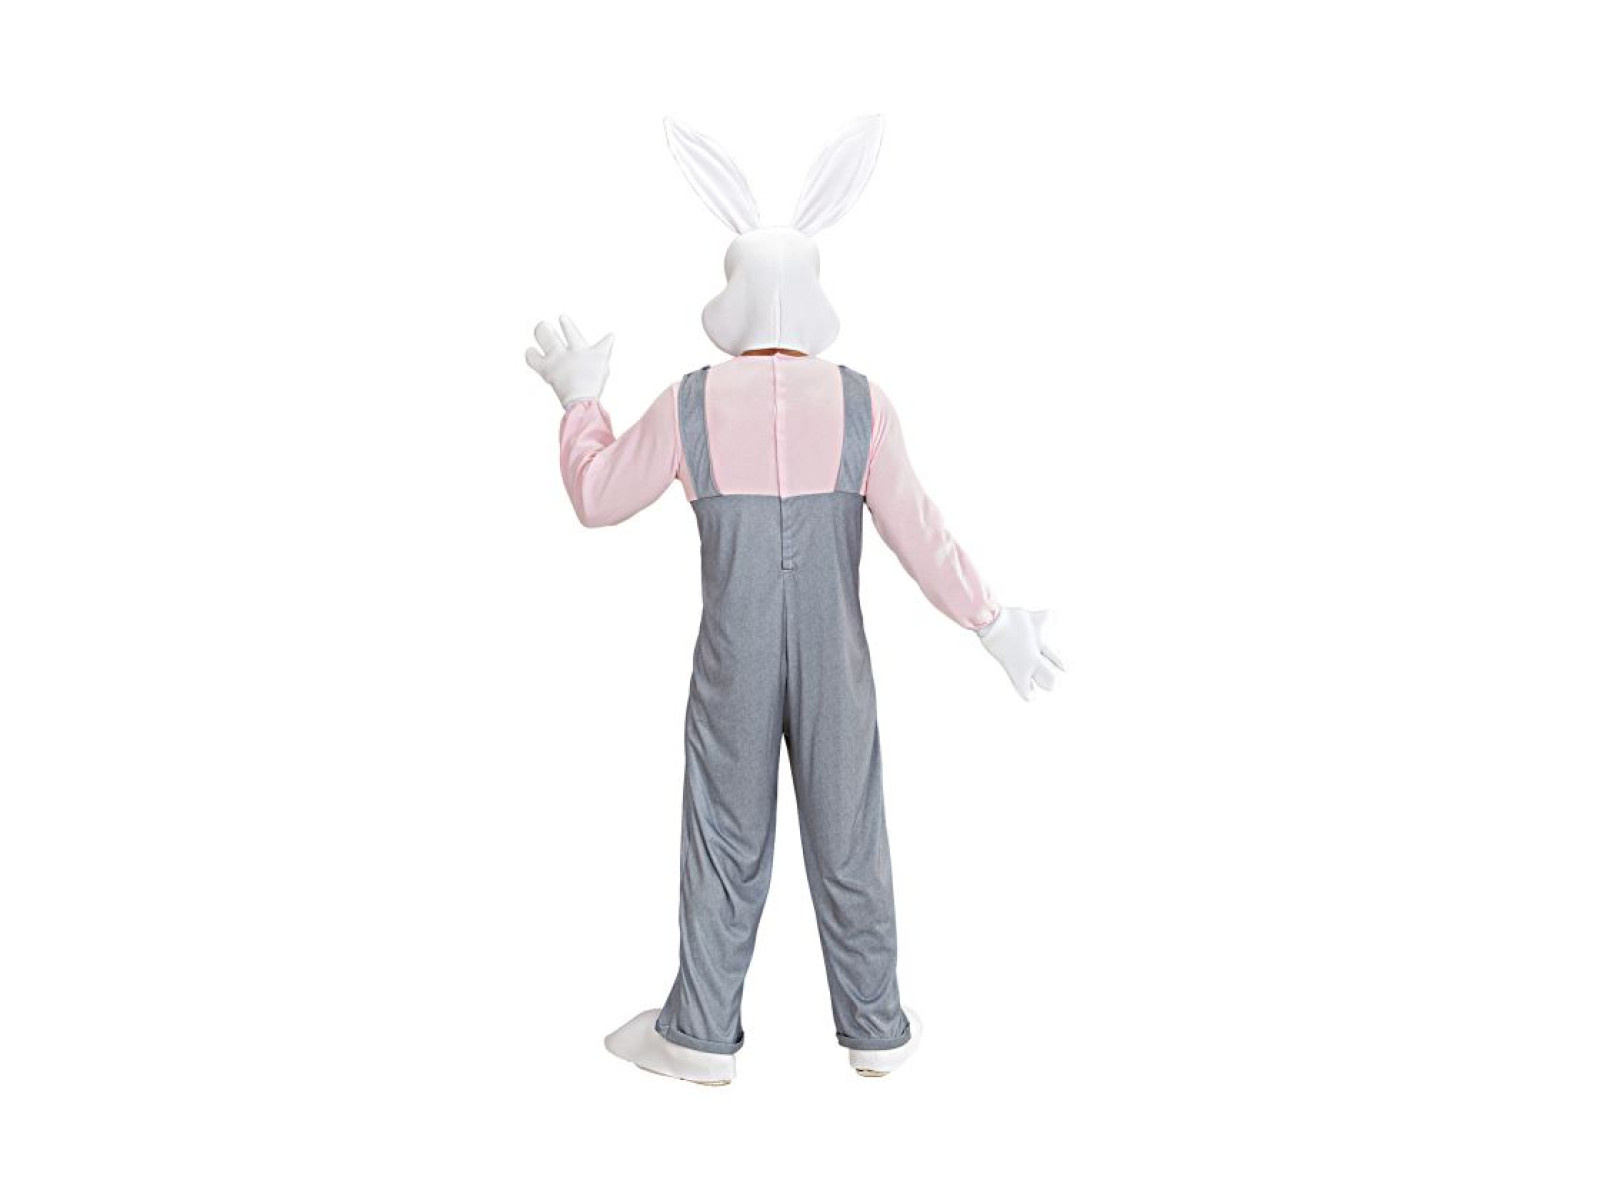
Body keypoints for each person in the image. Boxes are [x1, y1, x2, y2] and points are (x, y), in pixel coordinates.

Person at [526, 117, 1061, 1085]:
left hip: (732, 649)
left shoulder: (690, 400)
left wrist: (579, 401)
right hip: (834, 650)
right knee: (848, 825)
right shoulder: (860, 402)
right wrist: (991, 623)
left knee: (724, 828)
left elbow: (597, 498)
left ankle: (699, 1035)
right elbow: (919, 533)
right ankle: (875, 1028)